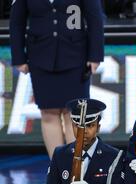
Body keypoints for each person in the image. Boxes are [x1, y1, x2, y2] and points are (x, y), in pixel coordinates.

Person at [10, 0, 104, 158]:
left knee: (74, 115)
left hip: (75, 57)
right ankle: (58, 168)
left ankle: (75, 169)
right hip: (40, 57)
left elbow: (95, 18)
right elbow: (17, 22)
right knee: (48, 113)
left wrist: (95, 55)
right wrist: (18, 57)